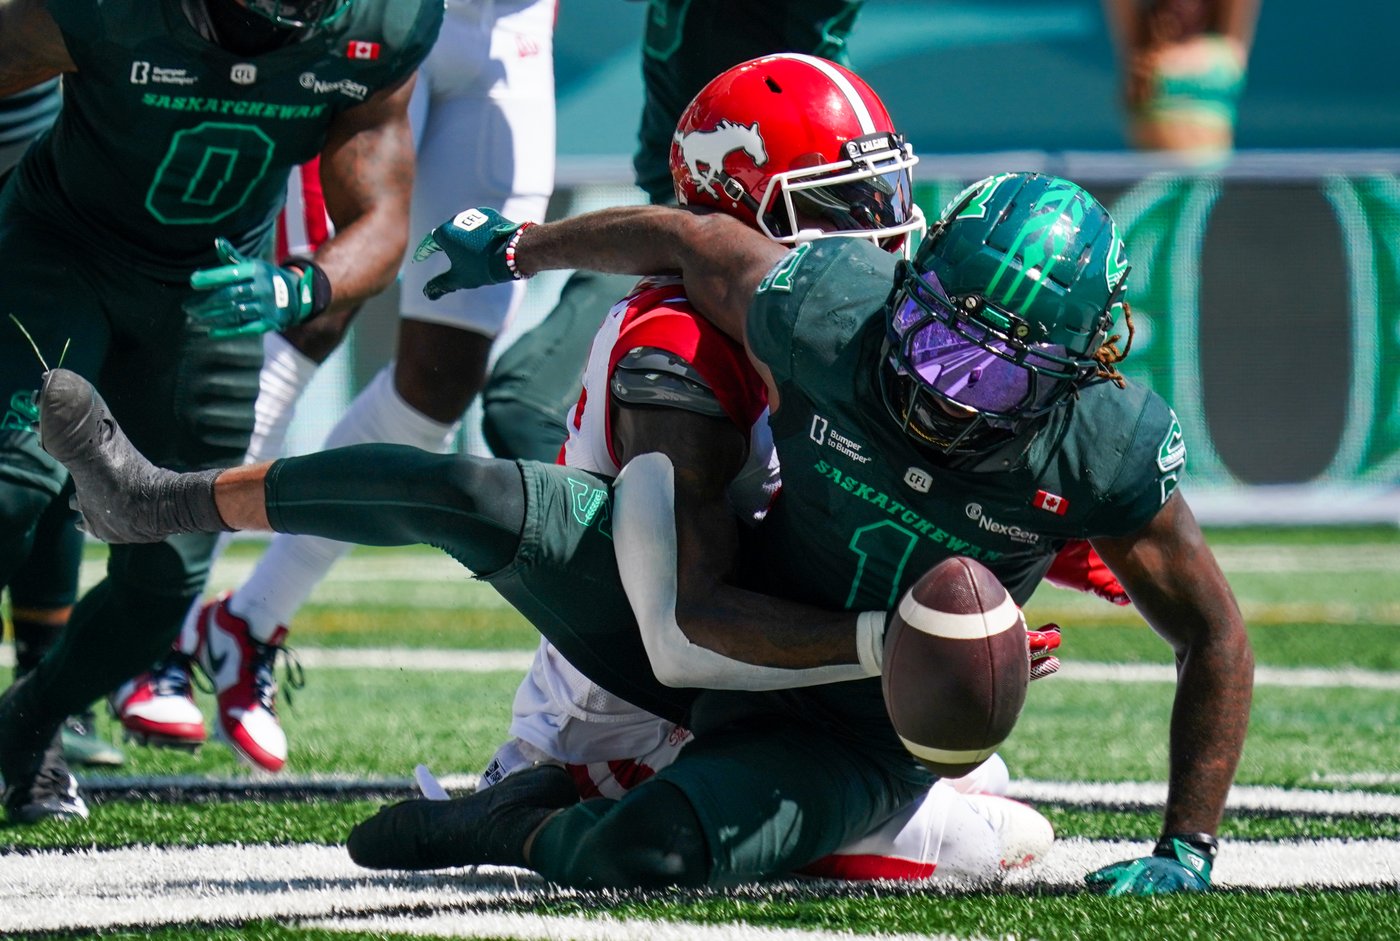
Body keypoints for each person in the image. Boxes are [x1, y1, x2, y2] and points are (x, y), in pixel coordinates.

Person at [30, 53, 1053, 885]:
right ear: (741, 225)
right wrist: (894, 641)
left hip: (776, 661)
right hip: (657, 684)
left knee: (973, 760)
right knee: (1001, 837)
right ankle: (533, 798)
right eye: (839, 204)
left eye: (882, 190)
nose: (881, 228)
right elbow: (683, 627)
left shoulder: (838, 312)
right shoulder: (683, 348)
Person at [369, 169, 1255, 895]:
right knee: (477, 502)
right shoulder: (831, 311)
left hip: (857, 736)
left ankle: (516, 824)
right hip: (740, 635)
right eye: (935, 339)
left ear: (1075, 379)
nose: (947, 390)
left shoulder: (1105, 446)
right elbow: (688, 237)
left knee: (643, 856)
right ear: (907, 283)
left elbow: (1214, 632)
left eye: (995, 381)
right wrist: (526, 247)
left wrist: (1189, 844)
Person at [0, 0, 444, 823]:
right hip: (62, 253)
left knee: (164, 578)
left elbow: (382, 216)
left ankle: (27, 725)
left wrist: (300, 283)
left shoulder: (383, 23)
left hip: (211, 291)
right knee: (10, 490)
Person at [111, 0, 558, 773]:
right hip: (381, 17)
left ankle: (247, 622)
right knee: (309, 308)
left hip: (511, 42)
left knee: (442, 379)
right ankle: (155, 624)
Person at [479, 0, 869, 464]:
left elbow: (693, 233)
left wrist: (516, 247)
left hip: (755, 222)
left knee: (528, 401)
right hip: (709, 208)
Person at [1102, 0, 1260, 157]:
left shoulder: (1228, 45)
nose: (1183, 3)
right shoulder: (1141, 45)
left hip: (1212, 178)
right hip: (1154, 178)